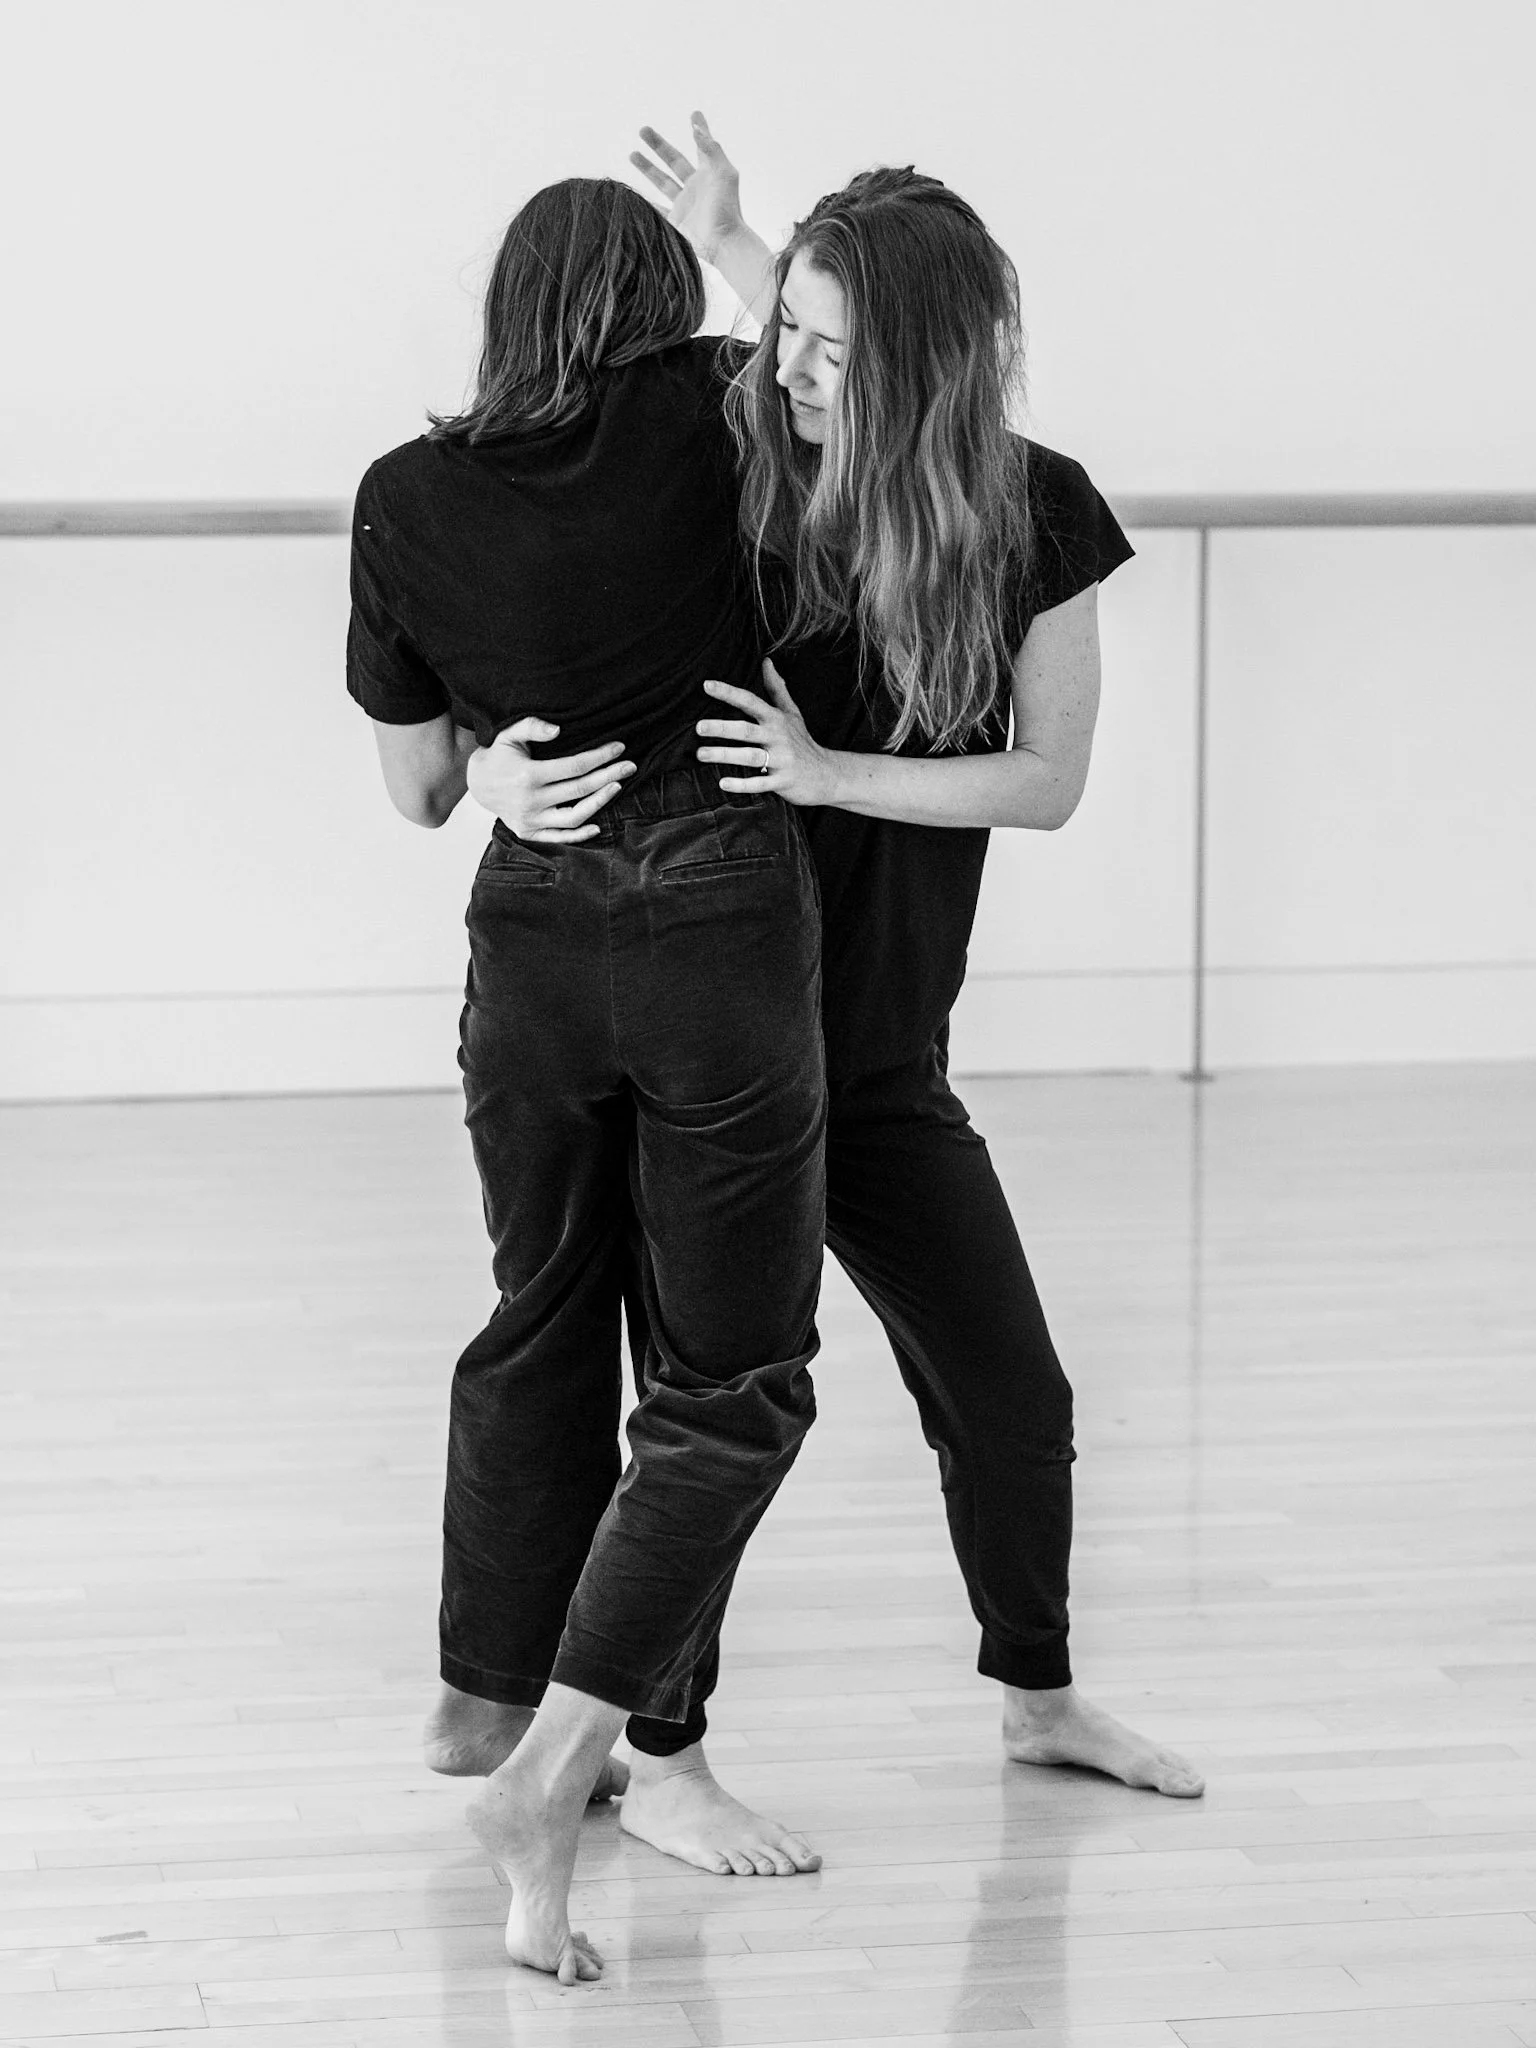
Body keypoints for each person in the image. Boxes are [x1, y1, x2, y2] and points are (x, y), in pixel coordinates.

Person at [440, 116, 1204, 1887]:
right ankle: (662, 1756)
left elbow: (1046, 781)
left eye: (829, 349)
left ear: (925, 370)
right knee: (704, 1403)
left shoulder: (1036, 514)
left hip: (879, 1054)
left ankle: (1039, 1695)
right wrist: (484, 769)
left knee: (1011, 1390)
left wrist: (825, 771)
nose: (785, 365)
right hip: (713, 1040)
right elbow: (512, 591)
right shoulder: (727, 474)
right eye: (781, 325)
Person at [347, 176, 828, 1983]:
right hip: (716, 908)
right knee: (728, 1378)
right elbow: (856, 373)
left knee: (542, 1310)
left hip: (534, 919)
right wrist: (742, 238)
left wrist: (495, 769)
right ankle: (577, 1763)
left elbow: (418, 790)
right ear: (658, 296)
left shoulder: (407, 492)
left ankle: (493, 1700)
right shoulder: (721, 410)